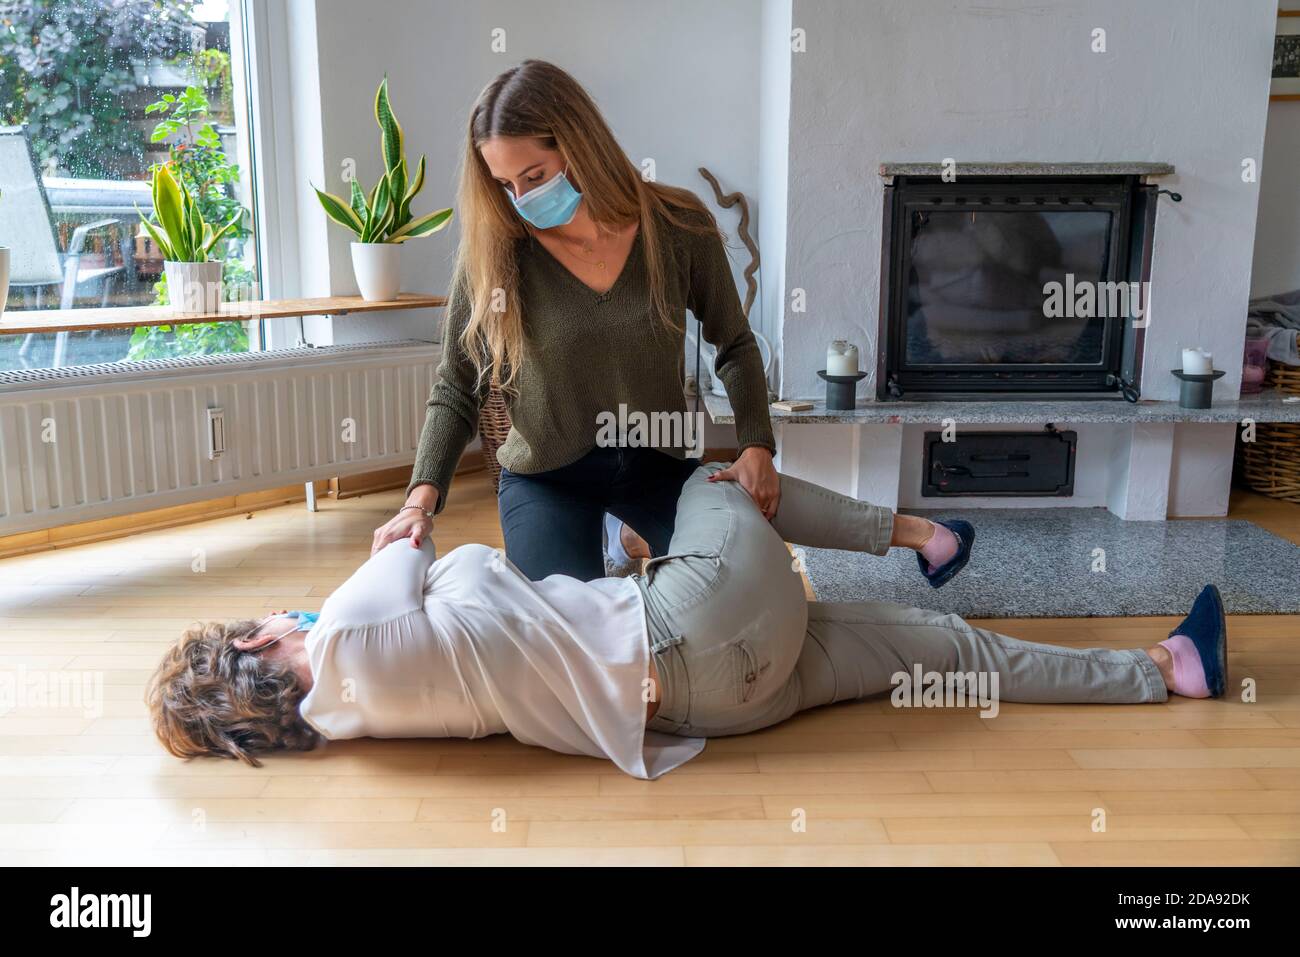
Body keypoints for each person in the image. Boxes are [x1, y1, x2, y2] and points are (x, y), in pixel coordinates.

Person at [147, 465, 1227, 779]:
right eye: (259, 623)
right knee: (725, 471)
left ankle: (1161, 668)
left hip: (714, 704)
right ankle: (922, 535)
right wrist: (361, 567)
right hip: (695, 628)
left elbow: (500, 634)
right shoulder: (337, 633)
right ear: (252, 644)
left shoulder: (345, 727)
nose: (276, 618)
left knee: (934, 649)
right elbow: (422, 548)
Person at [370, 59, 781, 582]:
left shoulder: (677, 226)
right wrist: (419, 501)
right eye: (505, 184)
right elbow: (456, 385)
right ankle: (619, 541)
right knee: (567, 627)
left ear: (578, 145)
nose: (522, 199)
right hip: (547, 475)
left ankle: (626, 534)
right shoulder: (496, 256)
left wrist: (756, 445)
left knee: (743, 576)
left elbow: (735, 344)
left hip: (655, 462)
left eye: (535, 176)